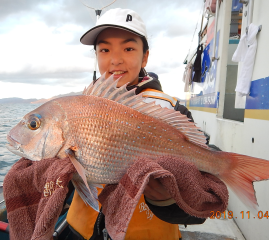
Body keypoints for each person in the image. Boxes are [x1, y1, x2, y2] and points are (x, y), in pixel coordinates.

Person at [65, 8, 215, 240]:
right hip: (82, 232)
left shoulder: (171, 111)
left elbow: (199, 208)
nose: (115, 59)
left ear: (145, 56)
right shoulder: (74, 110)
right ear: (96, 56)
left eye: (128, 48)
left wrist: (166, 199)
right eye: (105, 49)